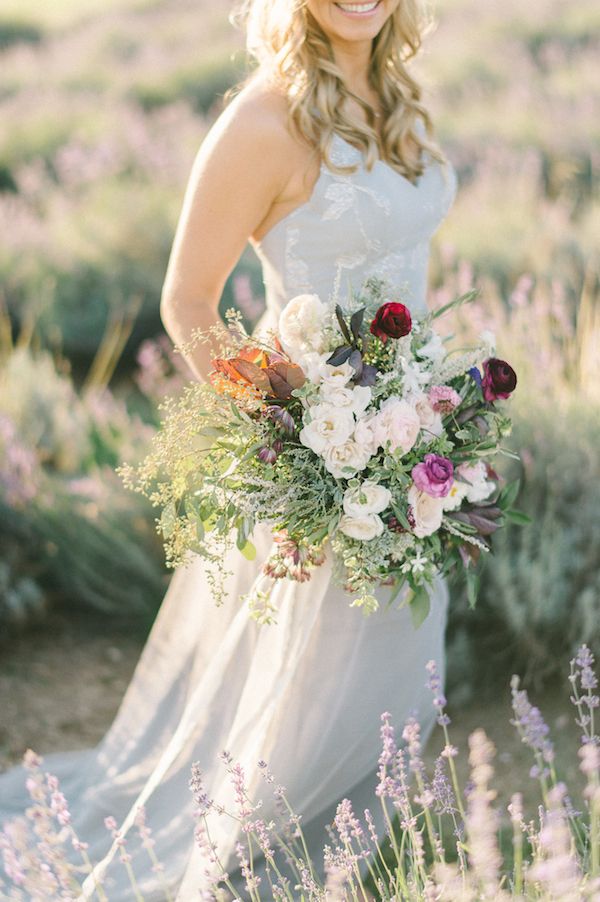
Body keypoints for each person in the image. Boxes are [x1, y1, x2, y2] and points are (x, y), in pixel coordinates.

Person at [0, 0, 457, 898]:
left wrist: (431, 413)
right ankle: (263, 841)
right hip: (324, 455)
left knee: (394, 644)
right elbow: (189, 303)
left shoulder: (399, 98)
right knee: (298, 677)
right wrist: (294, 442)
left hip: (415, 449)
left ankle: (366, 831)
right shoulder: (264, 118)